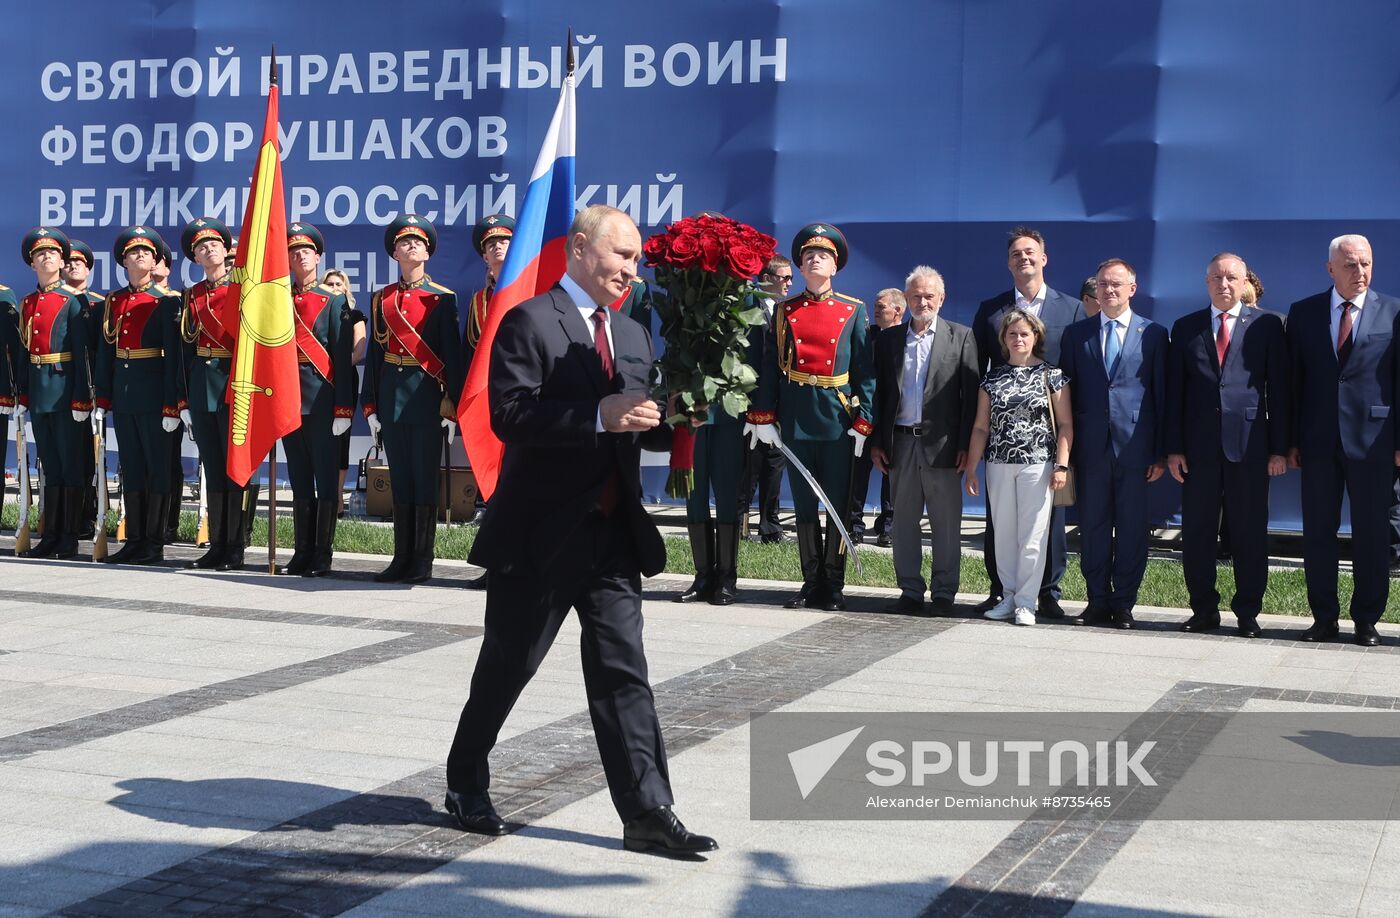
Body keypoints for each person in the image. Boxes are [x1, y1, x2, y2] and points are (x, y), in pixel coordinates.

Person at [444, 205, 717, 856]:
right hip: (541, 533)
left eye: (635, 258)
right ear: (581, 250)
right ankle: (464, 778)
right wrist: (598, 413)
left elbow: (639, 420)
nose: (632, 267)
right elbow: (511, 415)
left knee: (625, 673)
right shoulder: (530, 321)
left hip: (612, 533)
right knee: (509, 665)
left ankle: (648, 811)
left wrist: (679, 411)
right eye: (621, 255)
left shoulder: (633, 336)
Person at [745, 223, 876, 611]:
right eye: (808, 255)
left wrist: (863, 420)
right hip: (798, 417)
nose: (815, 259)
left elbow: (866, 373)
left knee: (836, 502)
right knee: (803, 504)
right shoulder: (785, 310)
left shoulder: (853, 310)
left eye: (823, 255)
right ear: (800, 267)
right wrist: (764, 415)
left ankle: (834, 583)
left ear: (835, 267)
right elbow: (770, 367)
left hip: (837, 420)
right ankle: (810, 579)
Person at [1166, 253, 1290, 639]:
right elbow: (1175, 394)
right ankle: (1203, 608)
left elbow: (1281, 391)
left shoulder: (1269, 325)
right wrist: (1173, 447)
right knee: (1198, 531)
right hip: (1198, 450)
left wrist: (1279, 448)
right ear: (1206, 283)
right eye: (1216, 277)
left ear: (1244, 282)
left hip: (1251, 447)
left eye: (1231, 277)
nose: (1224, 284)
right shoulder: (1185, 327)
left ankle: (1248, 610)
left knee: (1249, 531)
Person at [1287, 235, 1400, 646]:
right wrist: (1290, 440)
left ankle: (1367, 619)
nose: (1361, 272)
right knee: (1318, 532)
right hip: (1317, 442)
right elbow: (1292, 384)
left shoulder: (1394, 311)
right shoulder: (1303, 313)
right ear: (1330, 268)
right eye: (1351, 265)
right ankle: (1324, 617)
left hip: (1375, 442)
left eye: (1367, 263)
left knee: (1372, 533)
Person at [971, 228, 1084, 619]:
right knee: (1001, 523)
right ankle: (1002, 590)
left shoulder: (1070, 309)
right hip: (1002, 444)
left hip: (1048, 439)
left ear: (1044, 258)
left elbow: (1077, 373)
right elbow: (977, 374)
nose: (1024, 259)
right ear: (1008, 262)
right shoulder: (990, 310)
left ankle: (1047, 592)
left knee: (1047, 523)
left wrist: (1066, 450)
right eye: (1017, 254)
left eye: (1031, 253)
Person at [1058, 258, 1167, 628]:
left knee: (1134, 528)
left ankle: (1123, 604)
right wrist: (1066, 452)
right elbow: (1066, 398)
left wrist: (1159, 452)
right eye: (1103, 284)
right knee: (1093, 526)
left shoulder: (1153, 334)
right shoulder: (1077, 335)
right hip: (1089, 450)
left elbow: (1161, 396)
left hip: (1137, 450)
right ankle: (1096, 600)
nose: (1109, 291)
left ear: (1132, 289)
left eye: (1117, 285)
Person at [870, 267, 977, 616]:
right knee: (903, 521)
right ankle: (910, 590)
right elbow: (880, 394)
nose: (922, 301)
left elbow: (970, 398)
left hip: (944, 446)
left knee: (946, 523)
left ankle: (945, 592)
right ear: (907, 299)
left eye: (929, 295)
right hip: (899, 443)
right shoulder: (888, 340)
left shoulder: (961, 337)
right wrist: (877, 442)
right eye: (916, 295)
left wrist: (965, 445)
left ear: (941, 299)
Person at [362, 214, 463, 584]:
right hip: (391, 395)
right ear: (394, 251)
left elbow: (451, 355)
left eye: (418, 242)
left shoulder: (442, 298)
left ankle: (423, 559)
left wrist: (451, 406)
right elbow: (375, 354)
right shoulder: (381, 298)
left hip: (426, 396)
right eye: (404, 242)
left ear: (428, 252)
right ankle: (401, 556)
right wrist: (370, 404)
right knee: (401, 479)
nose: (411, 247)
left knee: (423, 479)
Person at [964, 309, 1073, 625]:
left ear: (1036, 336)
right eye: (1012, 334)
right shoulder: (992, 378)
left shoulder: (1052, 375)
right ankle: (1009, 596)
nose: (1018, 338)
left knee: (1033, 536)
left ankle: (1027, 602)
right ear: (1003, 340)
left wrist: (1061, 465)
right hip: (998, 464)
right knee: (1004, 534)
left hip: (1037, 466)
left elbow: (1065, 425)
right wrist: (972, 467)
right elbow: (981, 427)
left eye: (1024, 333)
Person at [94, 226, 186, 565]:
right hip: (125, 392)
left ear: (156, 260)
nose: (141, 256)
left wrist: (172, 403)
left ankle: (154, 541)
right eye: (134, 252)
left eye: (147, 252)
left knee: (157, 467)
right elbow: (106, 352)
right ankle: (134, 538)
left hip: (154, 393)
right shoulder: (115, 300)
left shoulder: (167, 301)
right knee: (131, 466)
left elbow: (174, 358)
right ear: (123, 261)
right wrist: (102, 399)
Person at [0, 228, 92, 558]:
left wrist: (82, 397)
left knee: (69, 464)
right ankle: (51, 533)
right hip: (39, 392)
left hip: (65, 389)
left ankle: (68, 535)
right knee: (49, 465)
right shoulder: (26, 303)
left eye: (52, 253)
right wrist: (22, 396)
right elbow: (23, 355)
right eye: (40, 254)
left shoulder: (73, 301)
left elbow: (82, 354)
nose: (46, 257)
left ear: (62, 260)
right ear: (31, 263)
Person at [280, 223, 355, 576]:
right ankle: (301, 550)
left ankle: (322, 553)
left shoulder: (333, 300)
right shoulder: (279, 299)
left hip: (323, 400)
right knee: (298, 478)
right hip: (289, 400)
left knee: (325, 480)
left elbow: (341, 357)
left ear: (317, 257)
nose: (299, 256)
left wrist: (343, 406)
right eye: (293, 252)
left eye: (305, 251)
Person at [178, 217, 250, 570]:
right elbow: (186, 349)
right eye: (200, 248)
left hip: (233, 386)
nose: (208, 250)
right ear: (195, 258)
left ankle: (236, 544)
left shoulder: (242, 288)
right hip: (202, 388)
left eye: (213, 245)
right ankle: (218, 543)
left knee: (235, 468)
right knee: (214, 468)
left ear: (226, 250)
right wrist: (185, 398)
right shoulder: (192, 295)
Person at [737, 255, 791, 543]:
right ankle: (741, 525)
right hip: (751, 402)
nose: (789, 283)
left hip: (778, 403)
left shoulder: (786, 311)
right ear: (768, 278)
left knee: (775, 464)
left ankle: (770, 526)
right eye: (784, 277)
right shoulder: (747, 305)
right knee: (749, 465)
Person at [849, 287, 904, 547]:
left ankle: (889, 526)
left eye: (882, 306)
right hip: (865, 415)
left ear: (898, 310)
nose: (876, 310)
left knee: (891, 473)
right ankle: (854, 524)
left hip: (894, 418)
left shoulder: (907, 337)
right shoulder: (865, 336)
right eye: (875, 305)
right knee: (858, 472)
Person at [62, 239, 104, 539]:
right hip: (60, 385)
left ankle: (88, 515)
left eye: (79, 262)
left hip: (89, 387)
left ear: (88, 268)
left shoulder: (98, 303)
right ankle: (62, 518)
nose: (73, 265)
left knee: (89, 456)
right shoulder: (54, 301)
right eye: (69, 261)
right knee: (62, 457)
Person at [322, 268, 366, 518]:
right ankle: (322, 495)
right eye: (329, 284)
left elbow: (359, 352)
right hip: (315, 382)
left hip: (344, 378)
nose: (335, 287)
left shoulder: (356, 316)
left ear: (347, 289)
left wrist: (336, 367)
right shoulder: (314, 313)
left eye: (339, 284)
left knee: (341, 440)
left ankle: (338, 496)